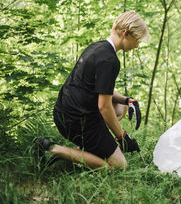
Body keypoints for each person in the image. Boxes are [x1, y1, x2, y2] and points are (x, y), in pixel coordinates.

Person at [34, 11, 150, 170]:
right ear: (125, 33)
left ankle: (80, 153)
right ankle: (52, 149)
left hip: (63, 112)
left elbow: (102, 90)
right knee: (119, 165)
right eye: (136, 40)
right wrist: (122, 137)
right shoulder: (110, 60)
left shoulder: (97, 47)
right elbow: (104, 106)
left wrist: (127, 101)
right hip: (77, 121)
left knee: (120, 107)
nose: (137, 45)